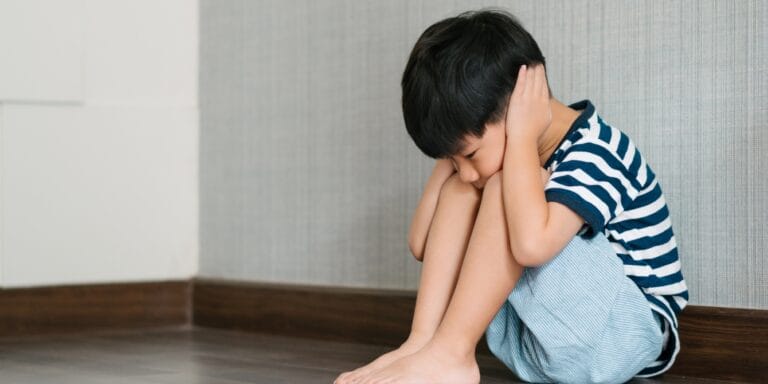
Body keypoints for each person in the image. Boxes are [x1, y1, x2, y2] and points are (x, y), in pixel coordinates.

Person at [335, 7, 688, 384]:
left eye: (469, 153)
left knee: (505, 184)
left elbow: (533, 245)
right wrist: (453, 162)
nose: (466, 169)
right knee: (470, 185)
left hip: (620, 337)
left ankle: (451, 354)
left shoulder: (597, 150)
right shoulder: (483, 167)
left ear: (520, 105)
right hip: (537, 343)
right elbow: (422, 243)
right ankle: (424, 344)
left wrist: (520, 137)